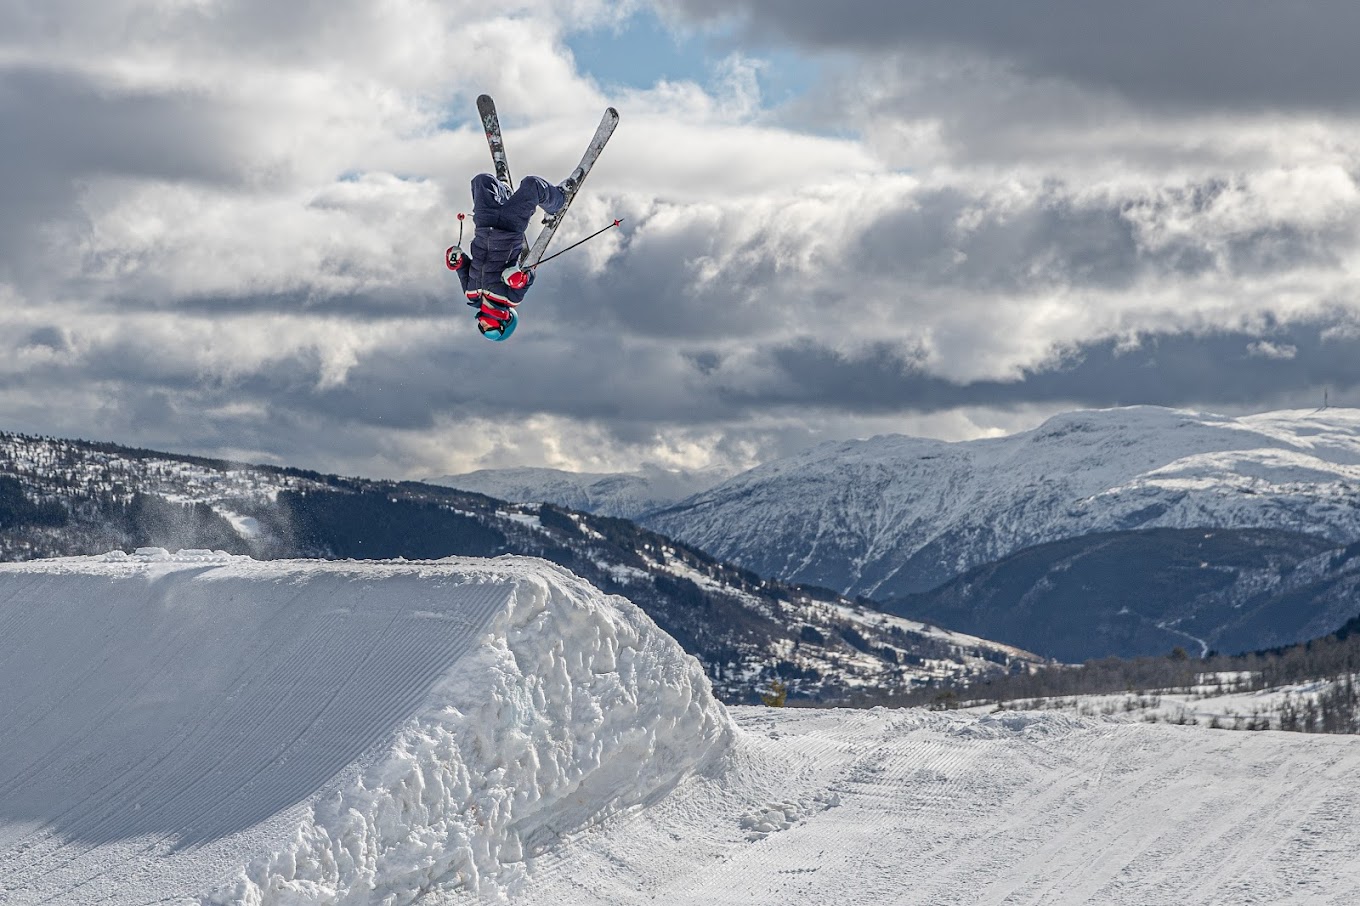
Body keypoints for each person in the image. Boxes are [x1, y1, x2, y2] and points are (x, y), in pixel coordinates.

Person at [446, 171, 579, 341]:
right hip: (510, 229)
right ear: (504, 322)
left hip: (484, 226)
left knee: (482, 182)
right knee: (533, 185)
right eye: (491, 331)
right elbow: (528, 278)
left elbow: (463, 266)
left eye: (482, 329)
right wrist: (519, 279)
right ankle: (559, 202)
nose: (483, 327)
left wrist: (455, 261)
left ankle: (505, 194)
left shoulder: (470, 294)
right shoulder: (510, 299)